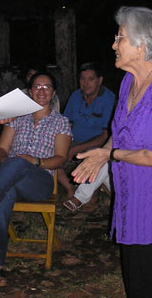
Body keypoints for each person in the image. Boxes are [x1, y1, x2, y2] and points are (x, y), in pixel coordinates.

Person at [71, 6, 152, 297]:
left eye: (120, 37)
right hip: (133, 197)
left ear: (142, 46)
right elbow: (119, 132)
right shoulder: (129, 81)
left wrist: (108, 156)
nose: (113, 44)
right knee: (136, 281)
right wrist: (104, 151)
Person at [0, 71, 71, 286]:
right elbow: (0, 150)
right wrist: (7, 165)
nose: (42, 91)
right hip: (12, 176)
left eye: (47, 87)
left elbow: (61, 159)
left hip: (40, 182)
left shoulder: (61, 122)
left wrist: (33, 161)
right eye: (37, 86)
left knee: (20, 161)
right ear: (30, 92)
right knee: (5, 191)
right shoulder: (17, 118)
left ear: (53, 92)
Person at [60, 61, 115, 206]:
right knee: (54, 152)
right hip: (74, 141)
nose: (86, 83)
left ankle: (93, 200)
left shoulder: (109, 99)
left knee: (92, 156)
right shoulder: (76, 96)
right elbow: (67, 125)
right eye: (82, 79)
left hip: (97, 145)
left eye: (91, 79)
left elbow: (105, 136)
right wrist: (64, 145)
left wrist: (74, 149)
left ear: (100, 80)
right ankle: (70, 189)